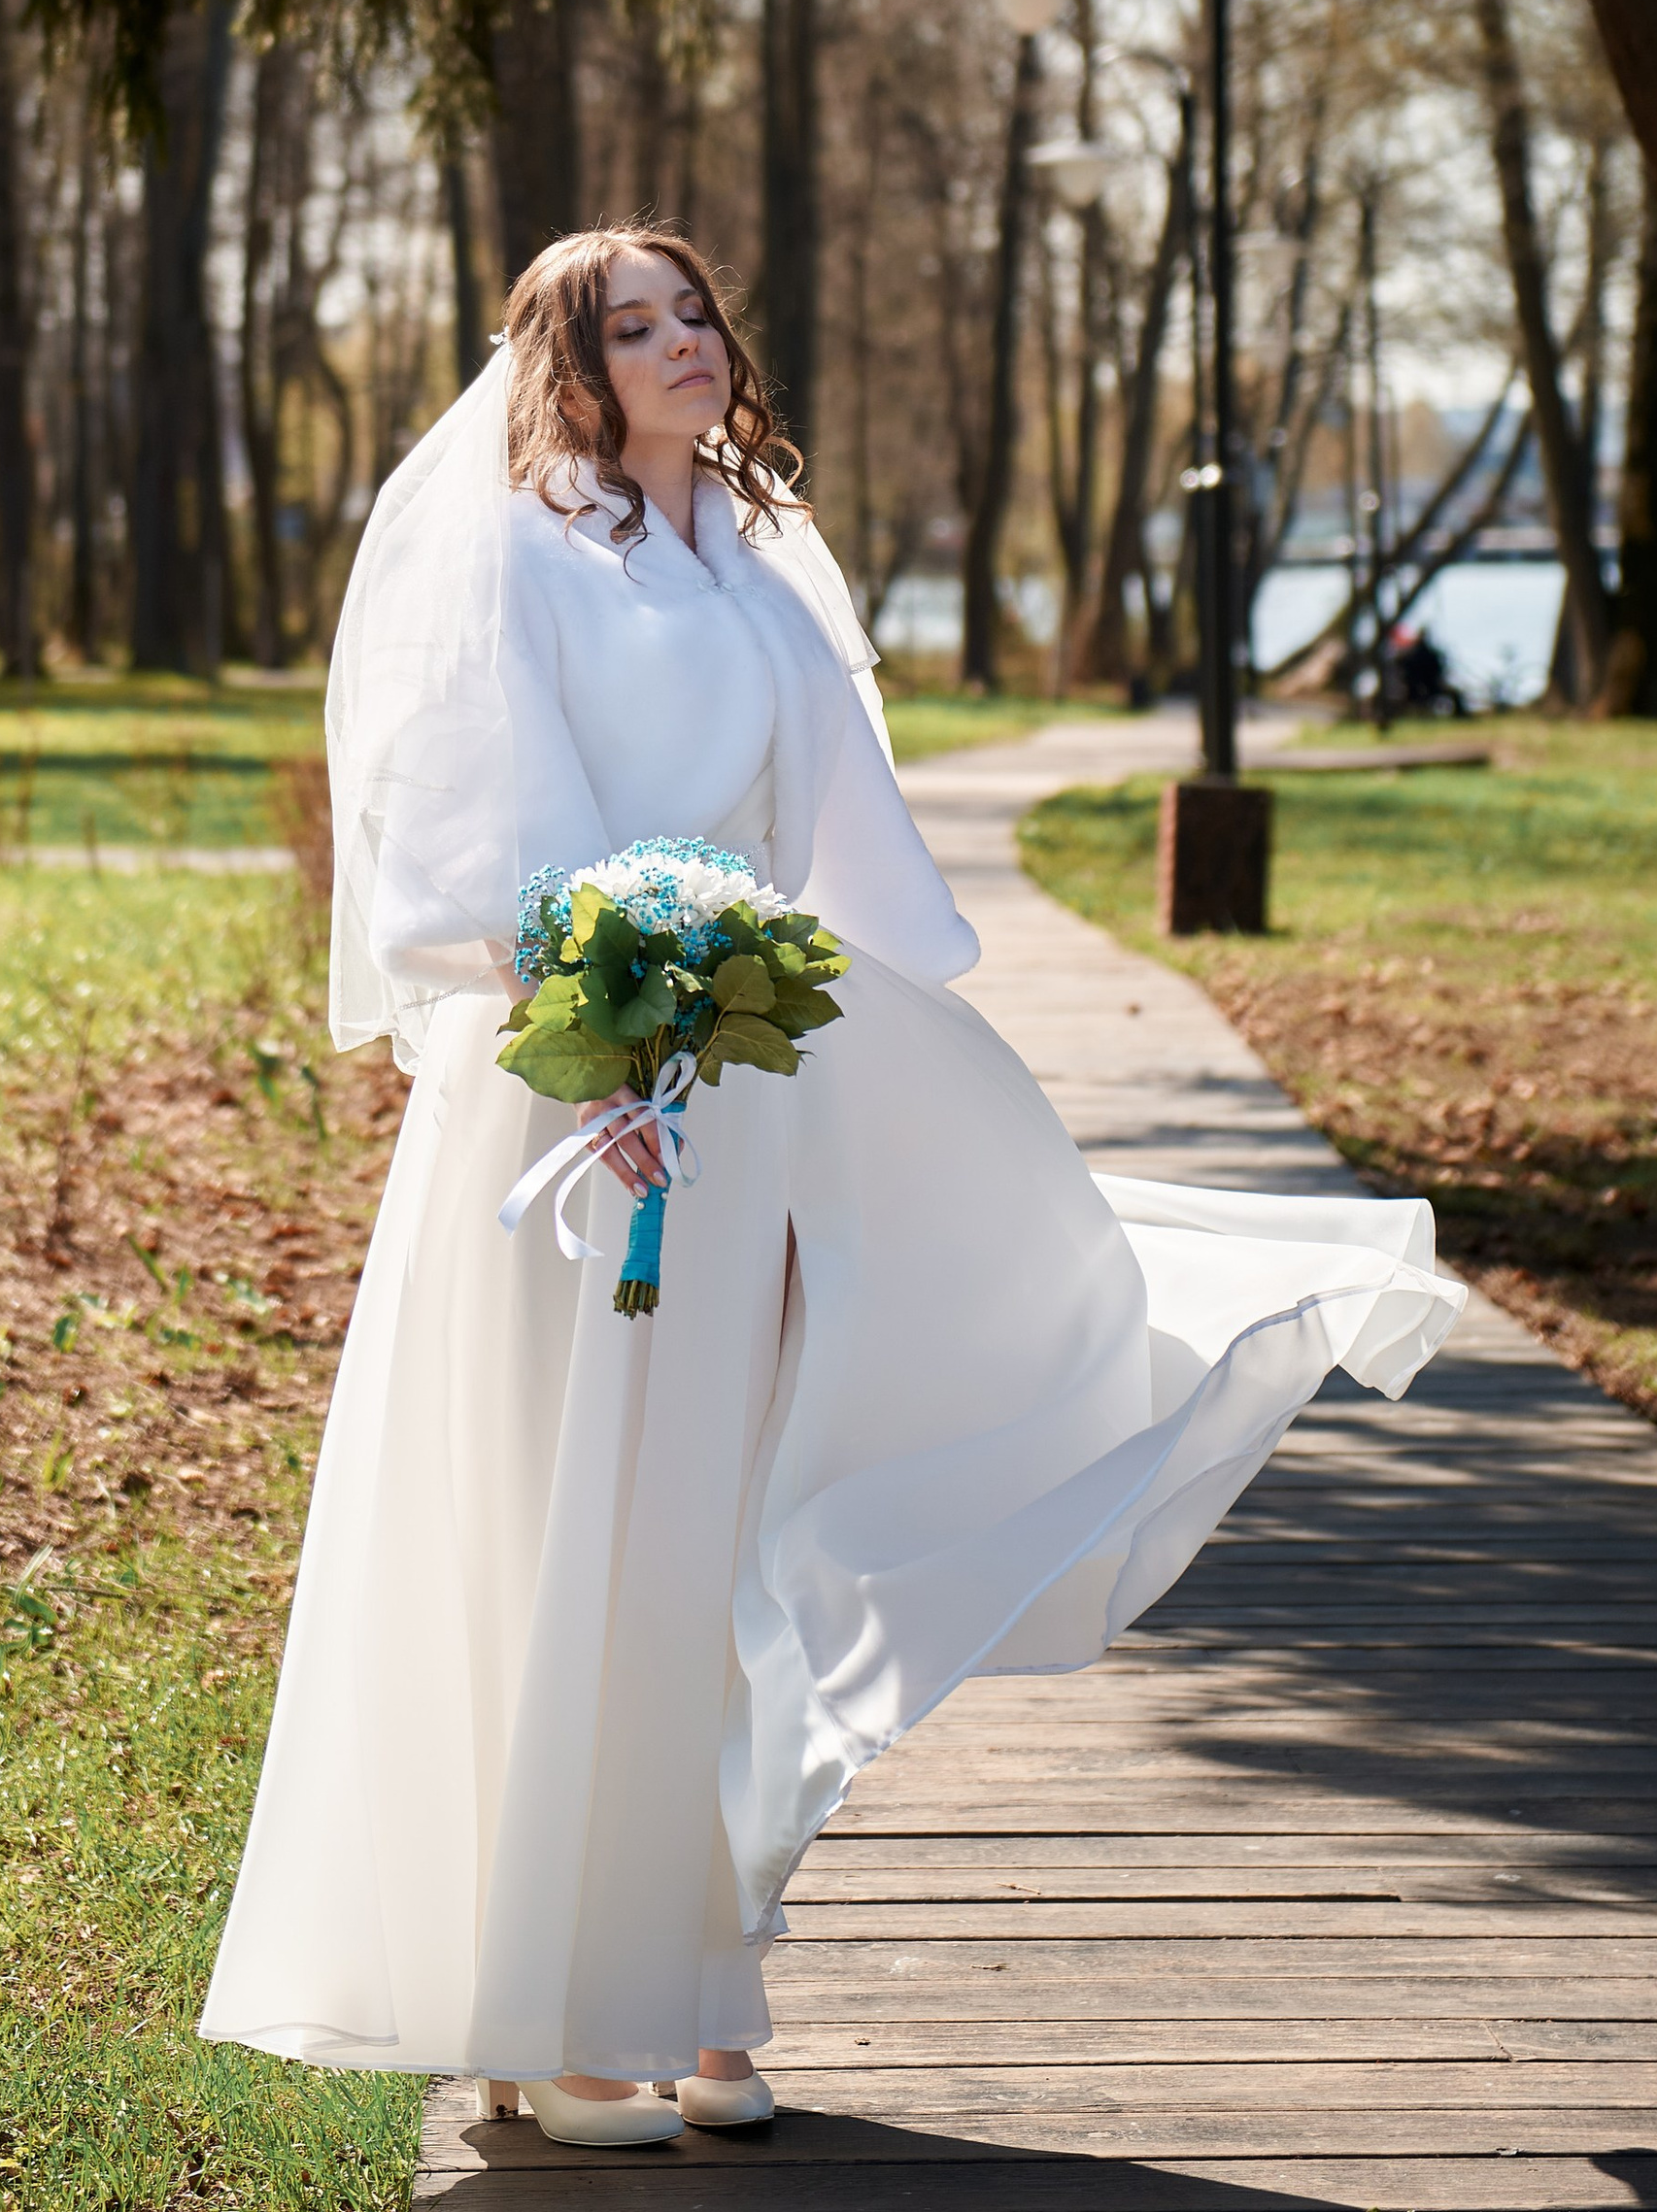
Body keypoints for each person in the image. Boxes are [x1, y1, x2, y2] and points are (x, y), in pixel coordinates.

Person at [201, 224, 1461, 2142]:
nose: (682, 343)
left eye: (692, 309)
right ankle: (559, 2009)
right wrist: (593, 1037)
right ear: (568, 361)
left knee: (730, 1533)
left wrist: (871, 1046)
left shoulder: (757, 543)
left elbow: (834, 823)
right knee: (589, 1540)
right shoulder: (520, 548)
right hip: (581, 1101)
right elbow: (479, 829)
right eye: (633, 325)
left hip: (760, 1083)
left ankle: (697, 1977)